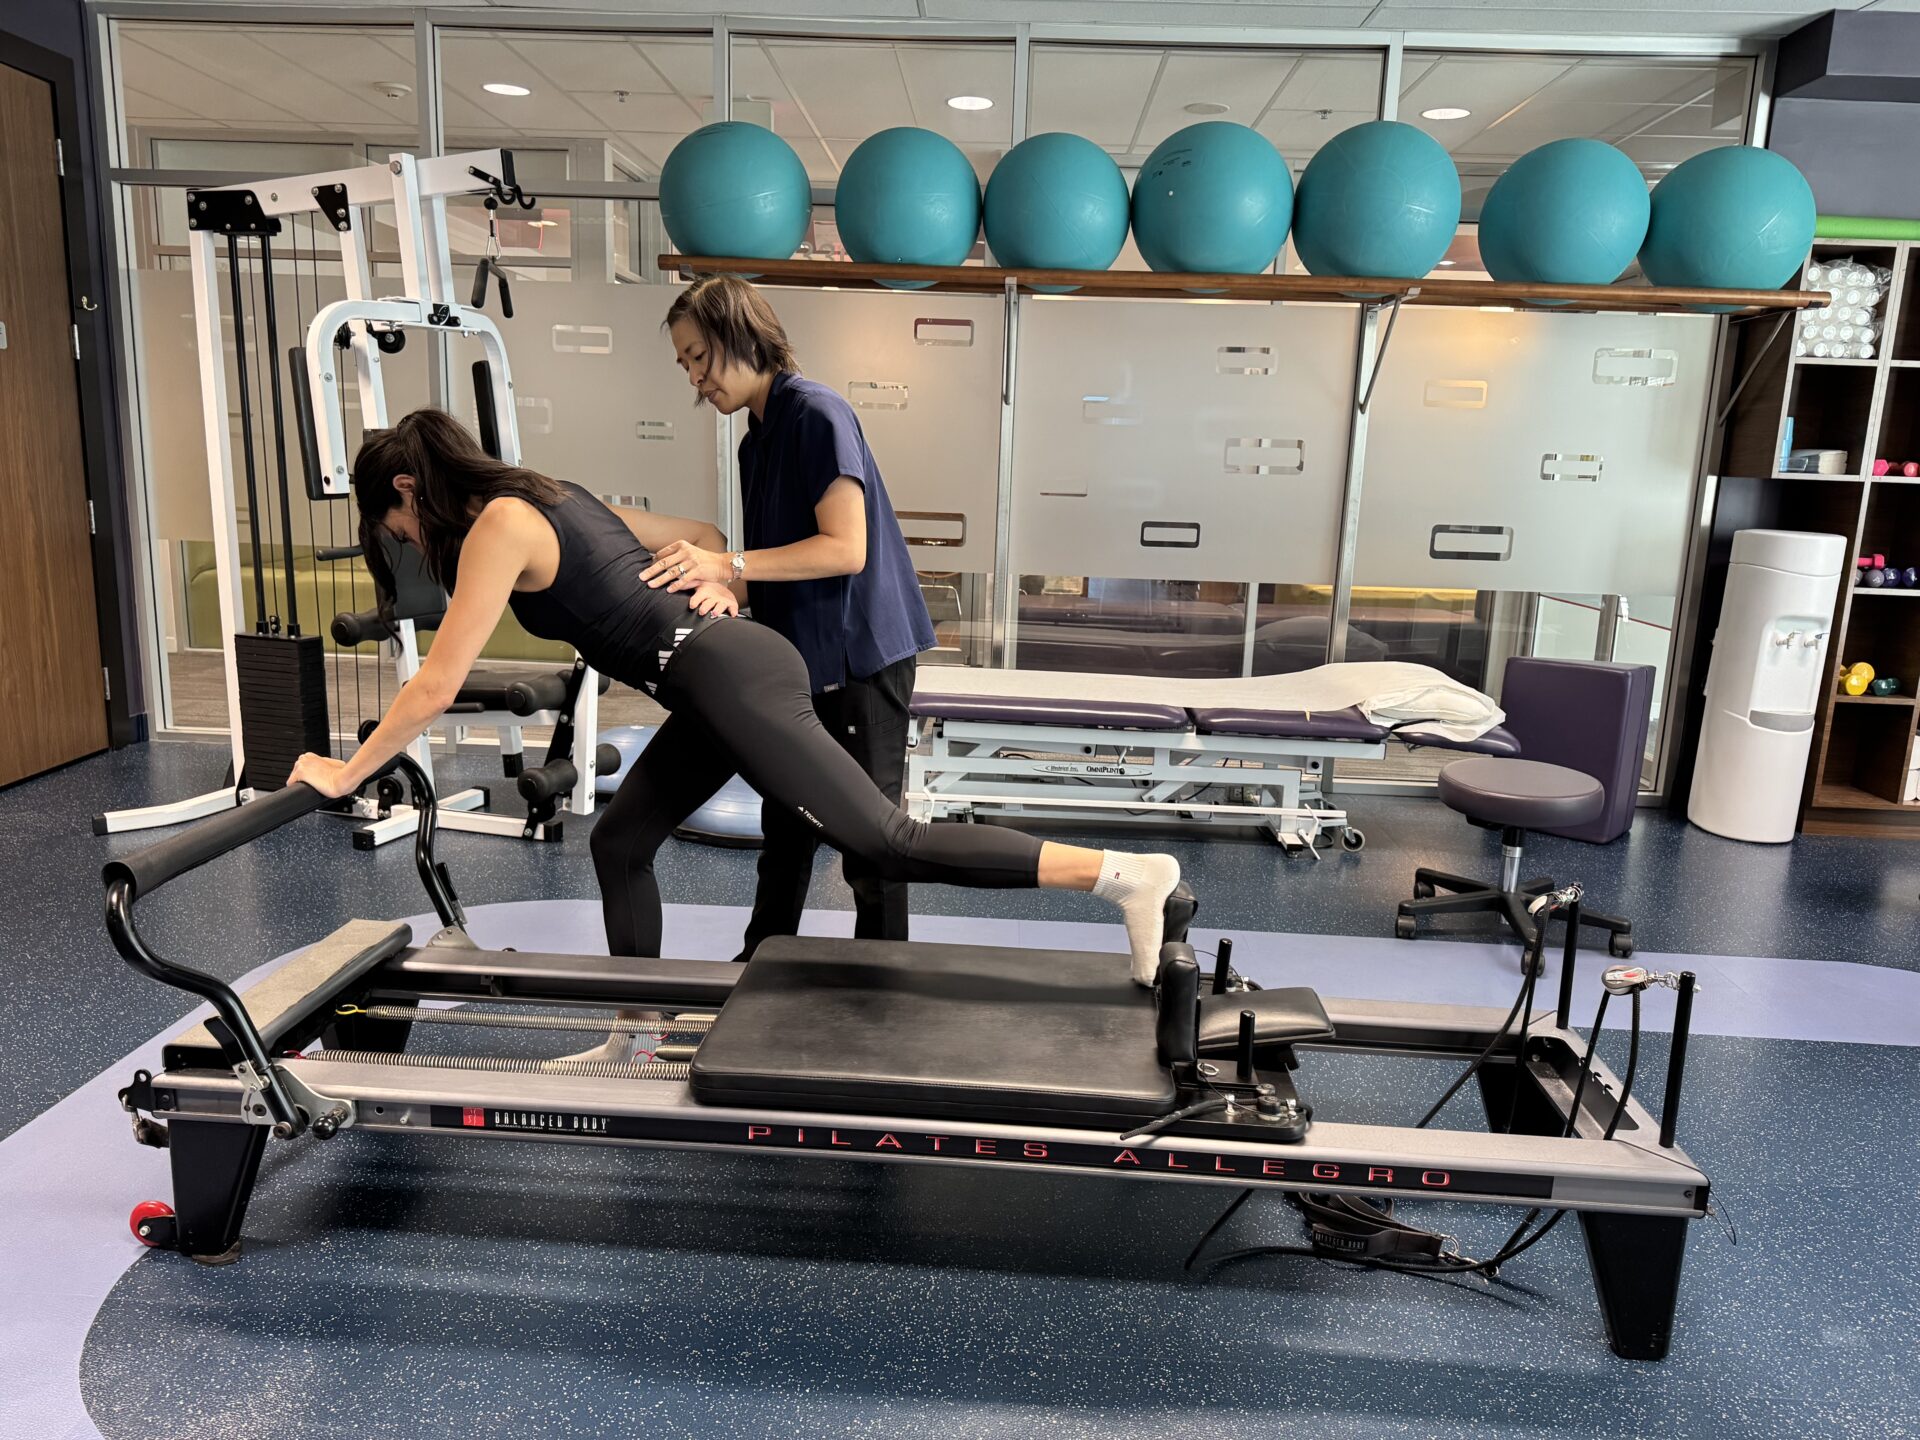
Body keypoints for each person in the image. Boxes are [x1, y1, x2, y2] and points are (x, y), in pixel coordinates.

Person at [287, 410, 1186, 1029]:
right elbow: (705, 536)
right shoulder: (555, 493)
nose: (408, 542)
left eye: (396, 526)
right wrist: (720, 582)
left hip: (729, 678)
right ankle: (637, 1034)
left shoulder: (498, 523)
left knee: (888, 843)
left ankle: (1124, 876)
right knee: (621, 842)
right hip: (716, 675)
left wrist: (346, 770)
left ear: (409, 487)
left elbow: (436, 684)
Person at [650, 276, 930, 962]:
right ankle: (761, 960)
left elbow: (844, 549)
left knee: (872, 840)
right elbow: (778, 558)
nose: (694, 378)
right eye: (683, 365)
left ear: (740, 336)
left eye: (699, 356)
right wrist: (728, 590)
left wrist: (728, 565)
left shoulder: (817, 415)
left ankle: (884, 976)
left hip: (861, 660)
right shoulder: (755, 441)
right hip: (801, 660)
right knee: (785, 822)